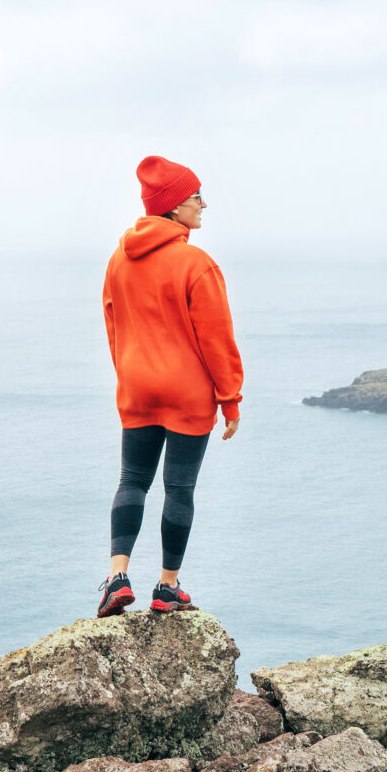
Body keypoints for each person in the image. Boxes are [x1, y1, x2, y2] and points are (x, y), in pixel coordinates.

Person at [97, 155, 244, 617]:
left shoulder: (119, 258)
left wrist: (128, 374)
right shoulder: (195, 263)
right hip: (187, 392)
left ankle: (117, 578)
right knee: (178, 488)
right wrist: (230, 400)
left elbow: (113, 324)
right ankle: (167, 587)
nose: (203, 204)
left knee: (132, 480)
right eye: (195, 196)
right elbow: (216, 338)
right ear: (173, 207)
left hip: (137, 386)